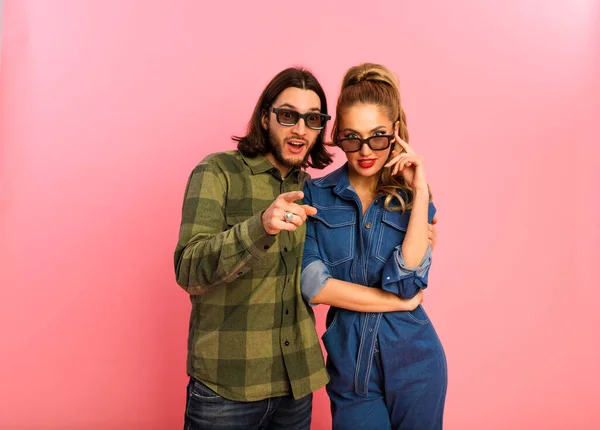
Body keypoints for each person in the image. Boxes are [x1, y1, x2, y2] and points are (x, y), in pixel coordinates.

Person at [173, 67, 429, 430]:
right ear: (265, 117)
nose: (300, 129)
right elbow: (188, 270)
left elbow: (366, 257)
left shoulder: (316, 193)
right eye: (288, 115)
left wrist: (415, 215)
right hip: (227, 387)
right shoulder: (218, 172)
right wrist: (260, 226)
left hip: (296, 385)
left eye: (312, 119)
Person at [301, 63, 447, 429]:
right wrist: (398, 302)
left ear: (395, 133)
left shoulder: (412, 199)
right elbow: (313, 286)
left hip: (417, 360)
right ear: (337, 135)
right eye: (352, 137)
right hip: (350, 368)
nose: (365, 150)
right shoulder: (315, 195)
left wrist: (419, 190)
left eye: (378, 136)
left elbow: (408, 281)